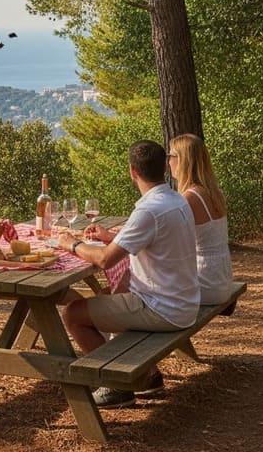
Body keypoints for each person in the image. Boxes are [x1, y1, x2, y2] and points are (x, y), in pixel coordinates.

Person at [57, 140, 199, 408]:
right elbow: (143, 240)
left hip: (162, 308)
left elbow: (104, 260)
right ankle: (148, 377)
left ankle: (116, 385)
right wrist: (107, 237)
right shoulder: (176, 200)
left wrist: (70, 244)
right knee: (107, 296)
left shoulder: (148, 210)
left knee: (73, 313)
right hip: (185, 302)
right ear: (164, 168)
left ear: (133, 171)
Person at [168, 133, 234, 305]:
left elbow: (164, 237)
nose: (168, 162)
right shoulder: (210, 192)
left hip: (205, 286)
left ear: (182, 160)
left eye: (170, 156)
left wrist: (118, 238)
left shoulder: (190, 198)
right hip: (221, 280)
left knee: (139, 284)